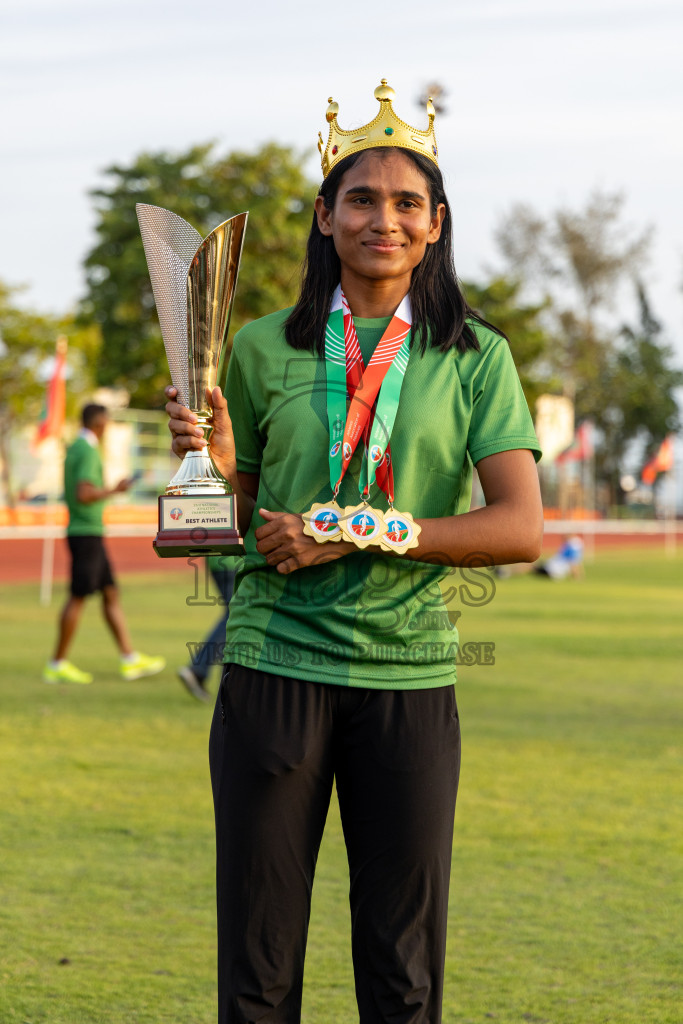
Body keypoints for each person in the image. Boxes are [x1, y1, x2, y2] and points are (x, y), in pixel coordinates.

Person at [166, 80, 543, 1024]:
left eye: (406, 202)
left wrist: (350, 526)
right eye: (362, 198)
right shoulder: (255, 348)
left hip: (407, 677)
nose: (385, 217)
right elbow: (231, 519)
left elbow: (519, 528)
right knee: (256, 967)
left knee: (401, 971)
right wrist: (212, 470)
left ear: (435, 224)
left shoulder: (475, 357)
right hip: (270, 663)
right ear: (325, 217)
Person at [43, 403, 166, 685]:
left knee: (110, 593)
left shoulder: (75, 447)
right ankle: (57, 663)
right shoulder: (87, 450)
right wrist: (116, 489)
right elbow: (84, 493)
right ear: (100, 424)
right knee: (78, 595)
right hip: (85, 531)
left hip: (87, 531)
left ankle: (129, 658)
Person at [177, 557, 235, 702]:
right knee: (235, 615)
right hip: (234, 557)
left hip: (217, 559)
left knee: (234, 613)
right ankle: (199, 670)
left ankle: (225, 680)